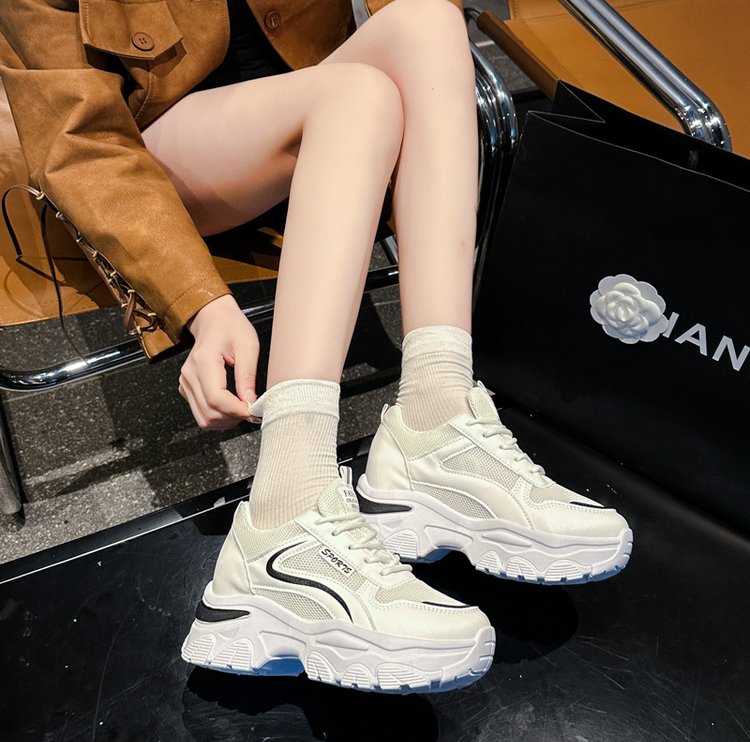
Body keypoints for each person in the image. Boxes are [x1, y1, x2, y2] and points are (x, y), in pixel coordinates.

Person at [1, 0, 632, 694]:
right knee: (354, 95)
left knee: (425, 19)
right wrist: (200, 305)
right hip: (159, 156)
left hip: (330, 119)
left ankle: (437, 416)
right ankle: (285, 513)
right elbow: (79, 140)